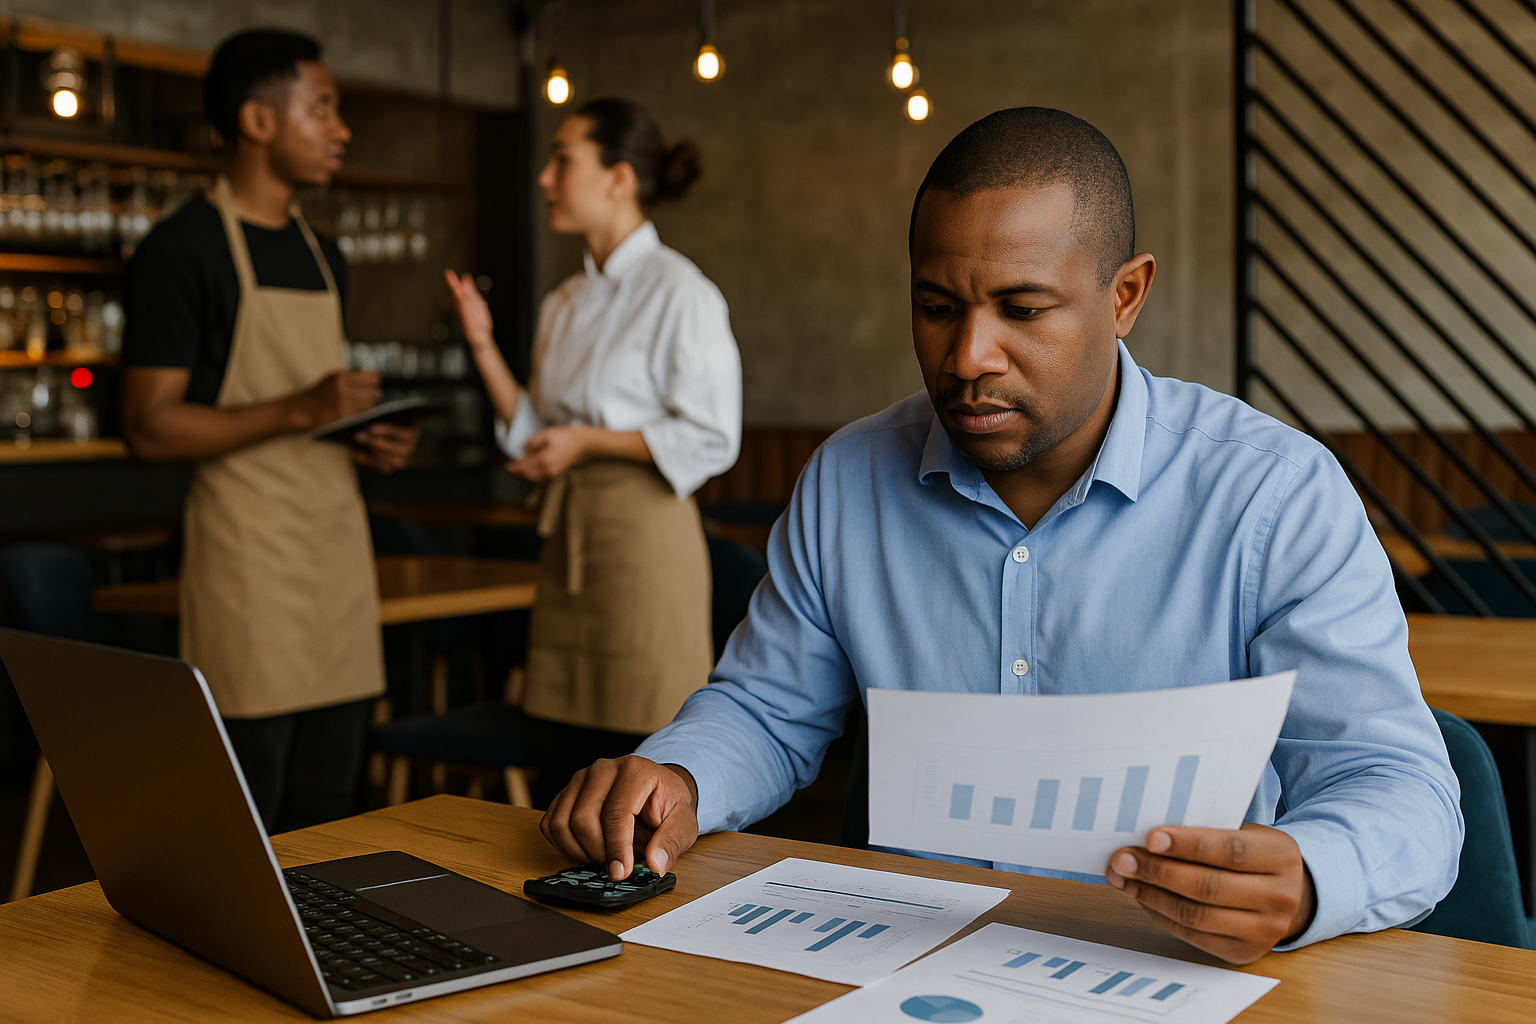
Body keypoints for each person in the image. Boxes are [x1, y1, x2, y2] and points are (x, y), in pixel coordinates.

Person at [537, 108, 1463, 965]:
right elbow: (766, 712)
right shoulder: (848, 480)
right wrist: (682, 774)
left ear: (1126, 296)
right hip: (892, 964)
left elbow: (1396, 786)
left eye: (1022, 311)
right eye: (937, 307)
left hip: (1162, 972)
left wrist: (1308, 878)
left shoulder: (1273, 494)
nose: (968, 357)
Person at [120, 30, 418, 832]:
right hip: (247, 571)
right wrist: (299, 409)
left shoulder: (328, 255)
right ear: (255, 119)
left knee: (332, 812)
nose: (341, 128)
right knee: (246, 819)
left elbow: (320, 409)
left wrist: (366, 434)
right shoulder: (181, 251)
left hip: (335, 561)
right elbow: (148, 429)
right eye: (322, 108)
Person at [445, 98, 741, 807]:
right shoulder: (563, 302)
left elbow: (713, 435)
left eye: (562, 160)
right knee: (561, 758)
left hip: (643, 550)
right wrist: (483, 346)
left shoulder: (682, 292)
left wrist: (587, 442)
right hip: (568, 550)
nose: (545, 178)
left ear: (618, 177)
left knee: (643, 756)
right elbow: (532, 432)